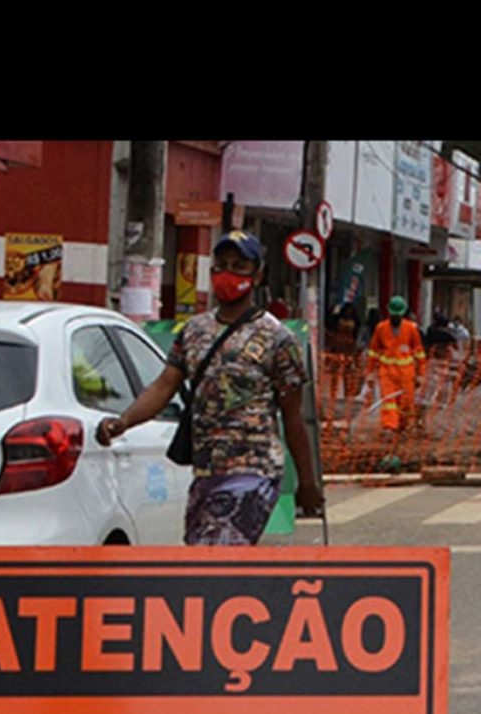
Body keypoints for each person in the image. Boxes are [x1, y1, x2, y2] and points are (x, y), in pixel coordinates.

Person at [93, 229, 323, 544]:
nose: (227, 273)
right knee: (203, 561)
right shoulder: (194, 331)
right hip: (206, 472)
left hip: (254, 470)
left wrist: (307, 483)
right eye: (221, 264)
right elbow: (164, 387)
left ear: (257, 274)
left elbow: (293, 416)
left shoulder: (278, 339)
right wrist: (123, 422)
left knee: (218, 550)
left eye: (239, 266)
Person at [366, 296, 426, 433]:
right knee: (389, 401)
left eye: (398, 315)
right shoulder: (381, 328)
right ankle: (389, 426)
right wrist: (369, 373)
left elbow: (419, 353)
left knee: (405, 404)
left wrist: (421, 374)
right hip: (387, 372)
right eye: (394, 315)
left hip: (406, 373)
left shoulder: (411, 329)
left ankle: (401, 426)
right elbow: (373, 351)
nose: (396, 318)